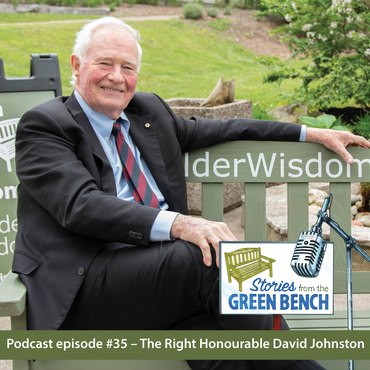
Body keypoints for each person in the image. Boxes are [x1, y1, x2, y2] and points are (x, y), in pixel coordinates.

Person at [12, 17, 370, 370]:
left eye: (128, 67)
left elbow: (226, 126)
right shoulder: (46, 125)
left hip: (166, 283)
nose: (117, 77)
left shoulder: (146, 113)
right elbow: (81, 205)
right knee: (209, 256)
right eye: (105, 63)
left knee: (223, 351)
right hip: (88, 287)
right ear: (77, 65)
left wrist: (308, 133)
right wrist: (180, 224)